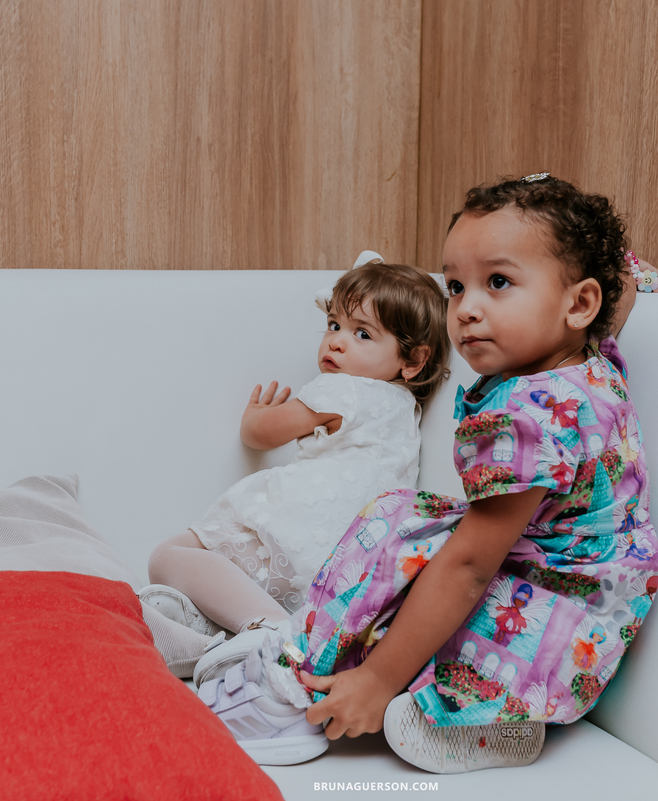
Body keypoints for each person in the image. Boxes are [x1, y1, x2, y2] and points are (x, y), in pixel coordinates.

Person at [197, 174, 658, 771]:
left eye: (498, 282)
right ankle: (305, 652)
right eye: (456, 285)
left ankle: (475, 718)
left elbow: (470, 567)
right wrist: (631, 273)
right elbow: (617, 290)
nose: (466, 309)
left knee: (420, 561)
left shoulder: (529, 420)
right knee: (400, 516)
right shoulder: (586, 353)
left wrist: (378, 679)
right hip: (570, 576)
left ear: (578, 304)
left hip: (565, 624)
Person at [140, 253, 451, 680]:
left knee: (168, 555)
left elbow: (262, 434)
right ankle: (217, 627)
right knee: (210, 579)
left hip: (294, 539)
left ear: (412, 361)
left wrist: (253, 418)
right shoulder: (405, 410)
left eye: (362, 334)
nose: (337, 341)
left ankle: (273, 634)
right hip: (347, 569)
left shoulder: (340, 390)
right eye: (335, 325)